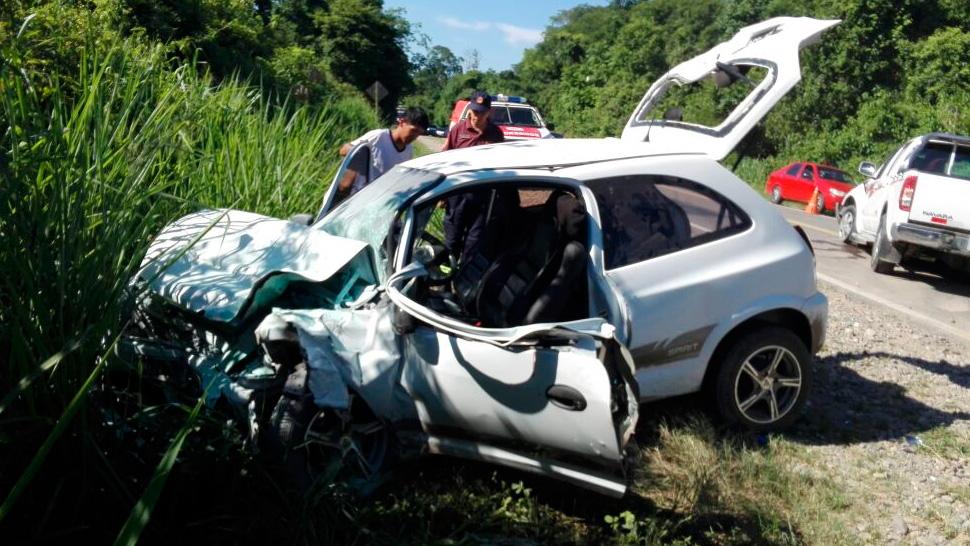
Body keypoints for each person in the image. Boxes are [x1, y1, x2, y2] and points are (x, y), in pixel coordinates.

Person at [440, 91, 507, 263]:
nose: (476, 116)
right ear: (469, 109)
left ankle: (464, 279)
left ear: (489, 112)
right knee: (452, 240)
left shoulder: (496, 134)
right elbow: (445, 160)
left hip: (482, 195)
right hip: (458, 194)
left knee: (474, 242)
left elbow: (501, 164)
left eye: (481, 112)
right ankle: (447, 278)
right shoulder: (458, 131)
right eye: (474, 111)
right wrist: (442, 194)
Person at [337, 107, 429, 197]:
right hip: (353, 197)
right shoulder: (378, 136)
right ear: (401, 122)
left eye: (419, 133)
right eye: (413, 130)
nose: (415, 136)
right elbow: (343, 150)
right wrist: (362, 155)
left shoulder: (408, 150)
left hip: (374, 201)